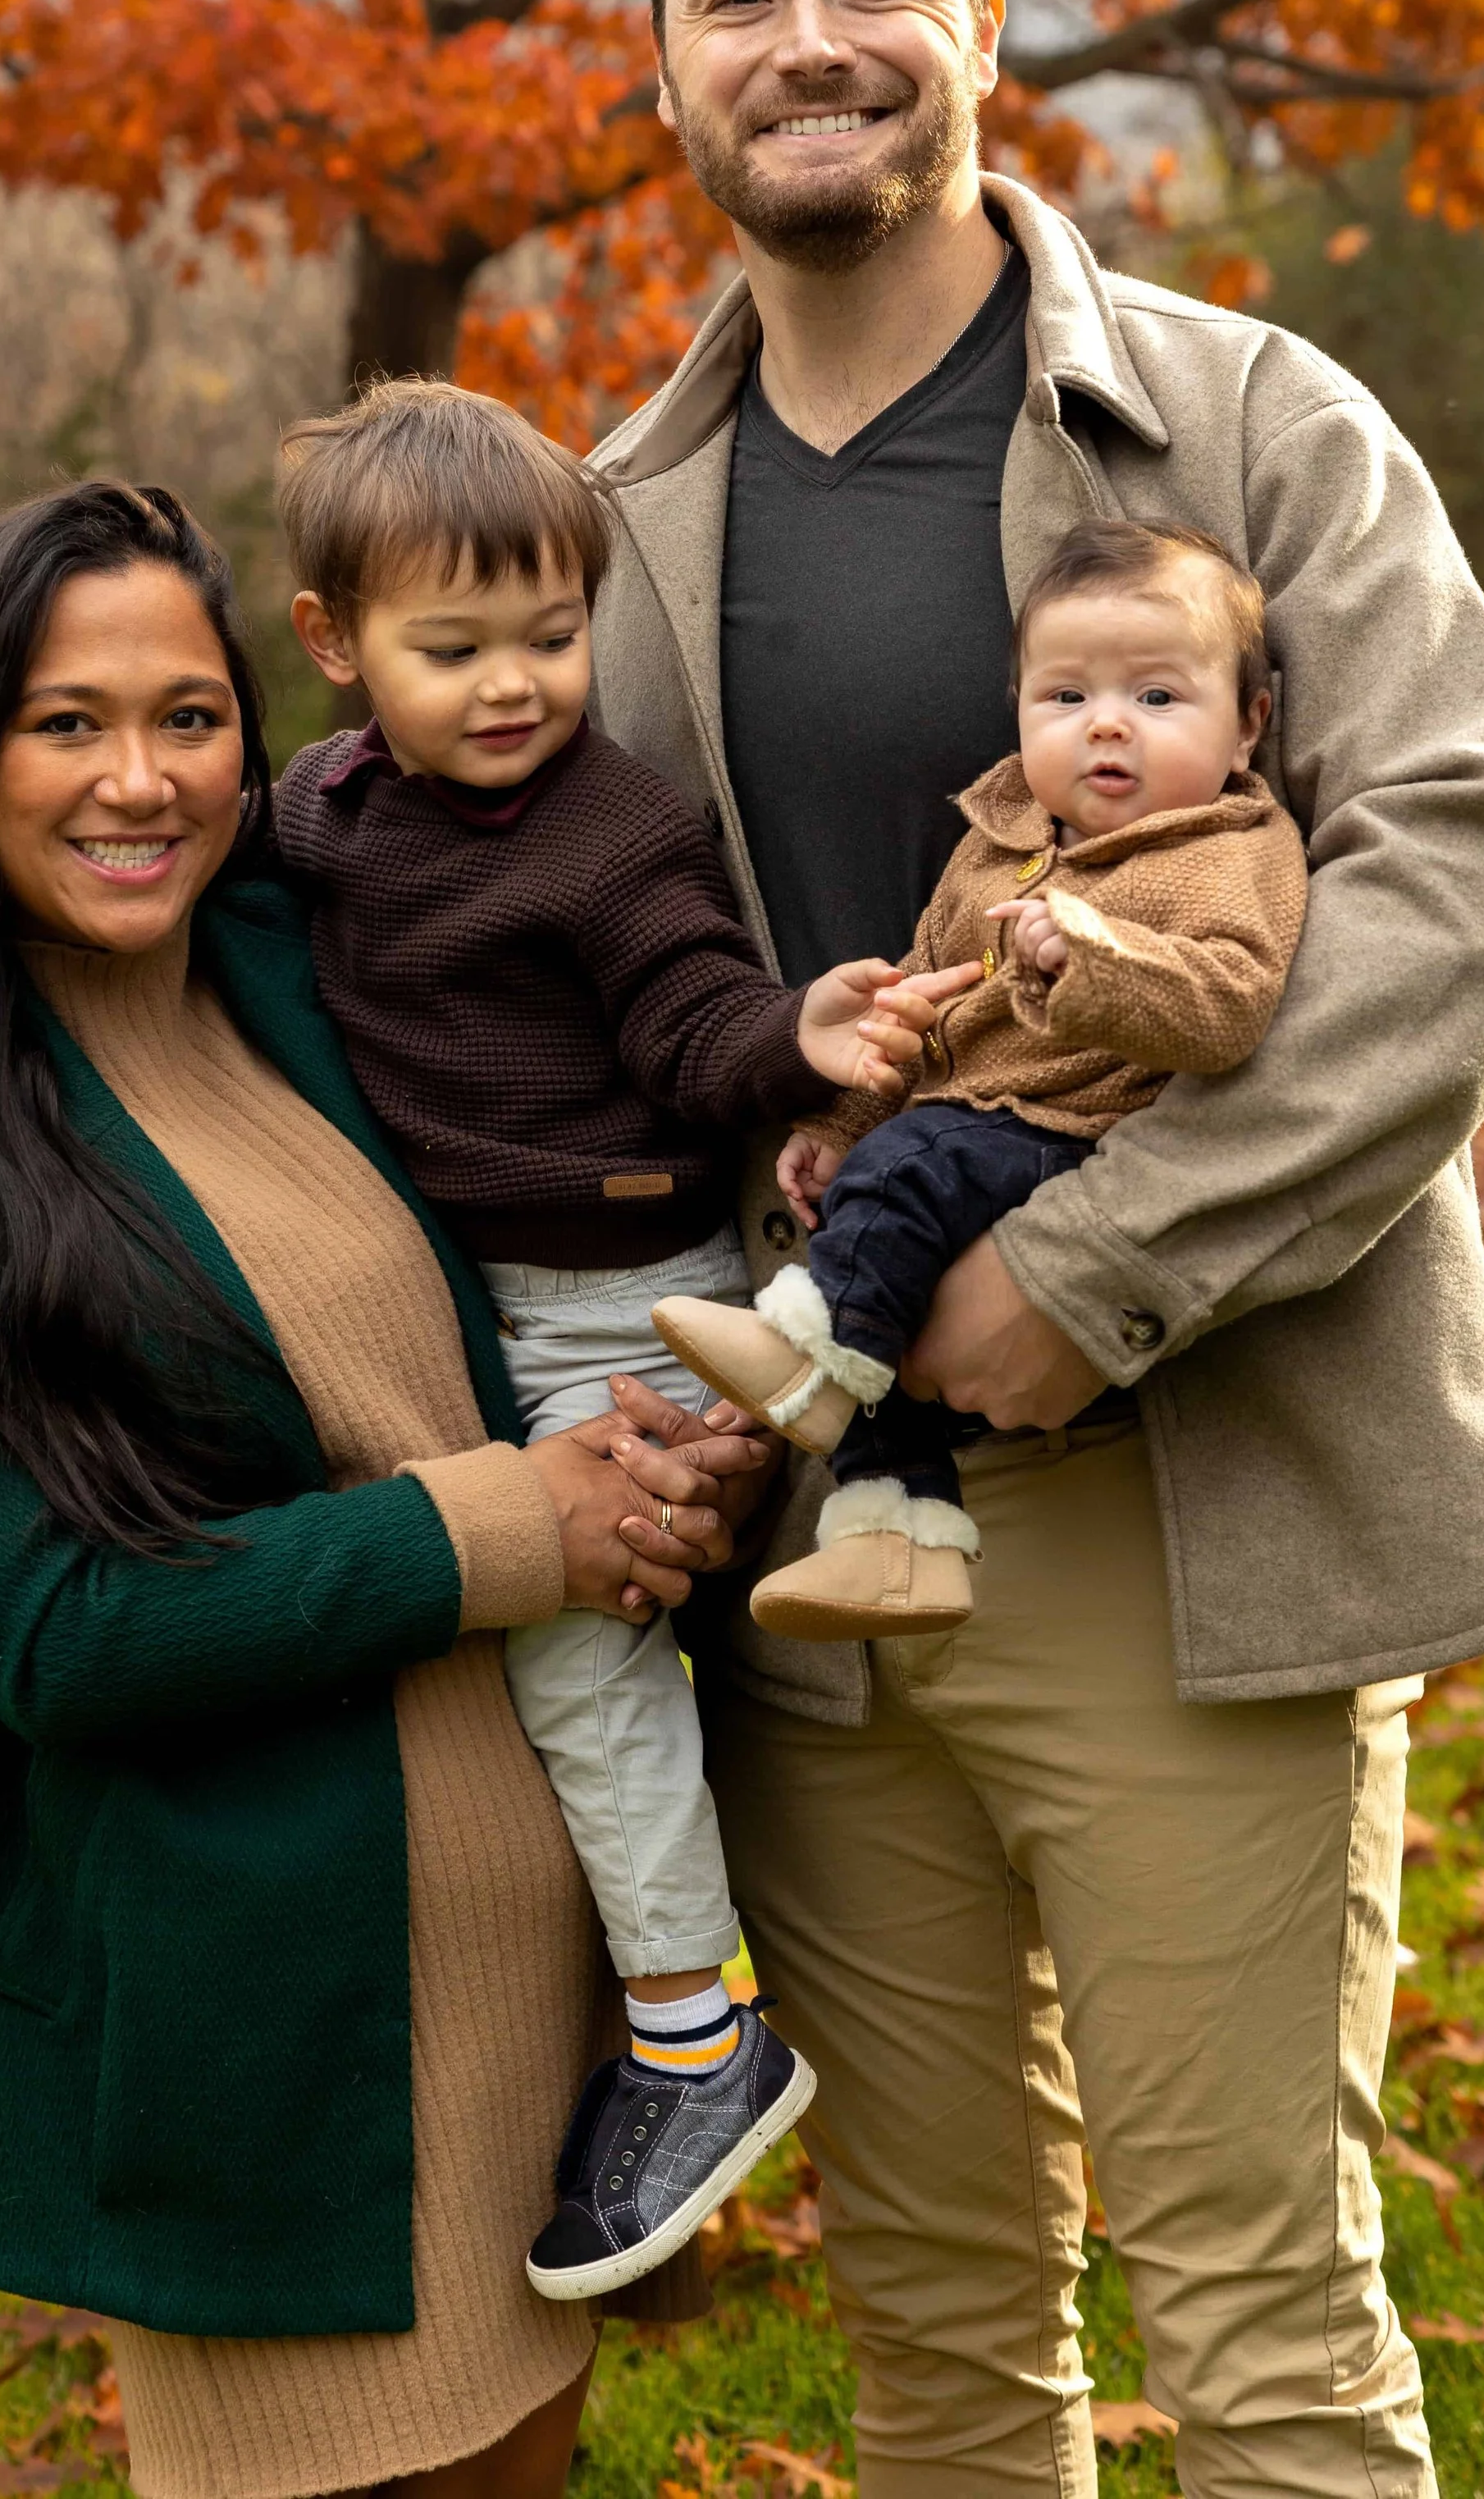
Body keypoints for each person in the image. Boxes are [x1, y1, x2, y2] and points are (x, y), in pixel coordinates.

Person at [588, 0, 1484, 2494]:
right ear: (662, 57)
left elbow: (1465, 891)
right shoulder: (614, 521)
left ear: (988, 21)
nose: (809, 39)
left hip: (1189, 1510)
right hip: (809, 1567)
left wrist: (1093, 1266)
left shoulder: (1248, 426)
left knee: (1262, 2332)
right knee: (935, 2339)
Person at [0, 481, 777, 2499]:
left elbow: (505, 1313)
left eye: (189, 717)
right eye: (66, 723)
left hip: (527, 1987)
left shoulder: (301, 975)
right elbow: (60, 1635)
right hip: (270, 2036)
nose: (141, 781)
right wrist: (506, 1528)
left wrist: (645, 1476)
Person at [273, 378, 975, 2296]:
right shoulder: (321, 815)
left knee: (580, 1662)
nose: (514, 685)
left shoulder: (609, 832)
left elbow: (687, 1012)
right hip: (455, 1303)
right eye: (453, 649)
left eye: (551, 634)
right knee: (494, 1672)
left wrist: (793, 1037)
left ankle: (691, 2031)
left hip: (615, 1303)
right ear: (334, 644)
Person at [657, 515, 1307, 1640]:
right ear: (1018, 708)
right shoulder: (997, 839)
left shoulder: (1229, 851)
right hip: (968, 1123)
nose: (1107, 722)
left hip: (1078, 1131)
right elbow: (928, 996)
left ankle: (807, 1361)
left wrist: (1092, 957)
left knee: (906, 1180)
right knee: (884, 1255)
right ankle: (896, 1539)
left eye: (1158, 696)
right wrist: (846, 1116)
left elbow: (1229, 1004)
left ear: (1248, 724)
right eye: (1066, 696)